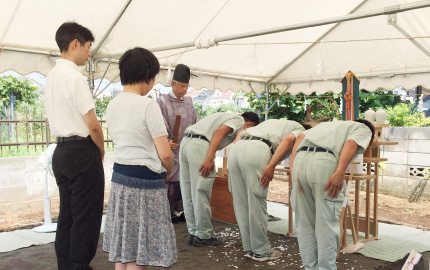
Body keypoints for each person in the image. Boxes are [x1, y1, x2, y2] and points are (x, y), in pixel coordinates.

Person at [103, 47, 177, 269]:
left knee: (124, 250)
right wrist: (169, 170)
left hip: (120, 180)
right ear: (147, 75)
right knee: (140, 252)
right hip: (146, 183)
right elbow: (165, 153)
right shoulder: (147, 105)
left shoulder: (112, 104)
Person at [45, 22, 105, 270]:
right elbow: (93, 126)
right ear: (75, 44)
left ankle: (67, 264)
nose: (89, 53)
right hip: (82, 151)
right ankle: (78, 265)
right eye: (88, 47)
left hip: (60, 152)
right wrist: (100, 151)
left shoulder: (50, 77)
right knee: (86, 216)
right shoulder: (75, 78)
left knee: (68, 214)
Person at [289, 119, 375, 270]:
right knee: (326, 223)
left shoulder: (329, 125)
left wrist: (293, 171)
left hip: (300, 160)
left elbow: (300, 137)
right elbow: (351, 144)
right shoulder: (364, 129)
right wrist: (340, 172)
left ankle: (310, 267)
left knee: (304, 224)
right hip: (323, 163)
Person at [228, 119, 308, 262]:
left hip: (237, 147)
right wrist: (271, 166)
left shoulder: (272, 123)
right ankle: (261, 251)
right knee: (256, 203)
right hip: (256, 149)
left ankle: (250, 248)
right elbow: (290, 140)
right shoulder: (301, 130)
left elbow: (242, 132)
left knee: (241, 202)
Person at [180, 111, 260, 247]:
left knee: (188, 191)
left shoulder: (224, 115)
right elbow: (219, 132)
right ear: (250, 124)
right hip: (199, 146)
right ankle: (203, 235)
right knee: (200, 191)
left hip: (186, 143)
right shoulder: (239, 121)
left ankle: (194, 232)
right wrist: (210, 158)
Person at [157, 64, 198, 223]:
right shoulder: (162, 102)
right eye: (182, 86)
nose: (185, 90)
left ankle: (181, 211)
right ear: (173, 84)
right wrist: (166, 141)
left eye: (186, 86)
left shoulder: (189, 102)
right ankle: (167, 212)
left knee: (184, 181)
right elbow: (158, 125)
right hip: (169, 148)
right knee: (170, 180)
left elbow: (195, 123)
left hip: (186, 148)